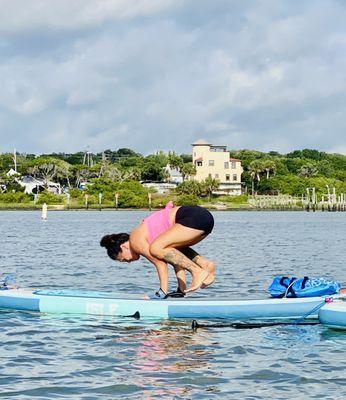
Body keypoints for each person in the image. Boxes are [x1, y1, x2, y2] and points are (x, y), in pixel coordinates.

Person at [100, 201, 216, 298]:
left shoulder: (135, 240)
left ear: (123, 247)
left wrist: (162, 292)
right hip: (204, 219)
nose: (128, 262)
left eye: (124, 259)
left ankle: (197, 271)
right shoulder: (145, 236)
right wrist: (182, 290)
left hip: (193, 218)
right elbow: (177, 261)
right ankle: (205, 265)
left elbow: (160, 264)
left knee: (155, 248)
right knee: (173, 251)